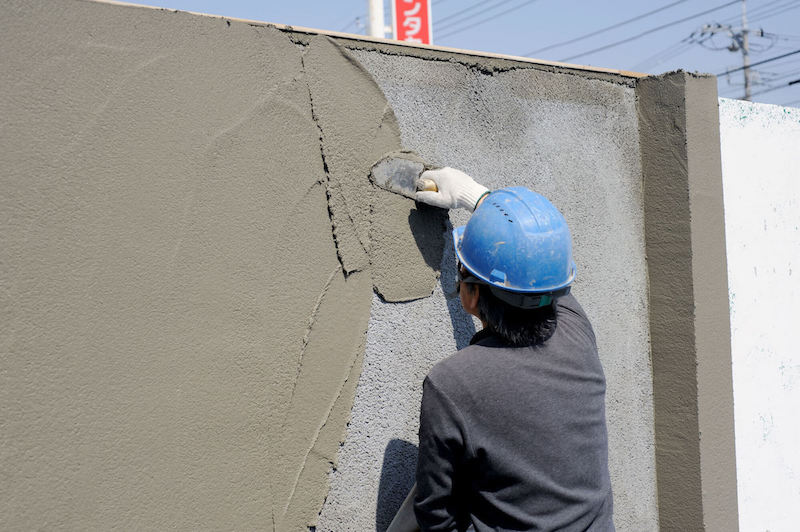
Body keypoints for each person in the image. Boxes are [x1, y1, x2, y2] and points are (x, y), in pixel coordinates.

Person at [389, 168, 614, 531]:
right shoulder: (575, 329)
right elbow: (539, 257)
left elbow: (435, 518)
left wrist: (475, 199)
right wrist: (473, 195)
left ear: (472, 293)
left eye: (460, 268)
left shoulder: (452, 383)